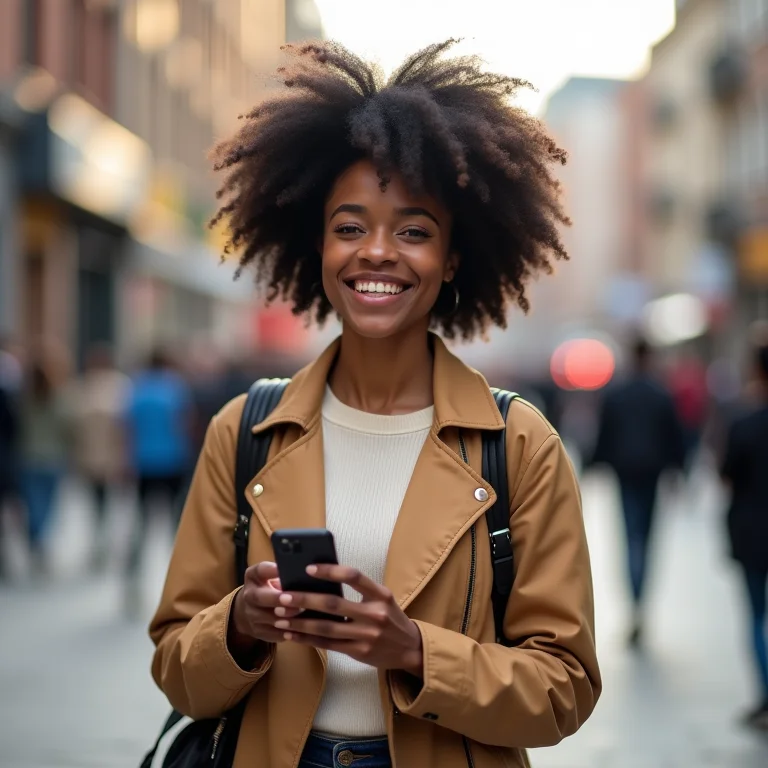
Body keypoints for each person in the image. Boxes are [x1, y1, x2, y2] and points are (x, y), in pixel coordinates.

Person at [149, 41, 601, 768]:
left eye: (414, 231)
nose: (378, 252)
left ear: (452, 258)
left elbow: (565, 688)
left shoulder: (518, 444)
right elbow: (175, 664)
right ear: (318, 246)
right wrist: (238, 622)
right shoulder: (245, 432)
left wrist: (415, 649)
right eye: (350, 226)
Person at [591, 337, 686, 647]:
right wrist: (677, 470)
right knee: (645, 537)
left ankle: (634, 603)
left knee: (630, 536)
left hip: (625, 472)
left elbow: (604, 434)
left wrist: (595, 465)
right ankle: (639, 602)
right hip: (651, 473)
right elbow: (674, 436)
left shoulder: (617, 393)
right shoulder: (661, 394)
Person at [720, 343, 768, 730]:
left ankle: (766, 696)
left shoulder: (744, 423)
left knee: (756, 615)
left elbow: (726, 475)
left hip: (753, 532)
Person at [124, 349, 193, 612]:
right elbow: (184, 424)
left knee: (141, 525)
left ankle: (132, 584)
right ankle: (184, 586)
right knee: (179, 527)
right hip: (173, 461)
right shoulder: (175, 387)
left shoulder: (137, 388)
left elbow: (128, 428)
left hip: (143, 463)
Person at [69, 344, 132, 571]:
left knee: (106, 502)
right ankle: (101, 542)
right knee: (98, 502)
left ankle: (104, 542)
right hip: (95, 455)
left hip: (107, 455)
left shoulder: (116, 386)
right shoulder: (86, 386)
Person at [19, 353, 72, 574]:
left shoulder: (23, 400)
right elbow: (67, 428)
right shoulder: (58, 398)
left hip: (30, 457)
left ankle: (36, 540)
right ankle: (40, 541)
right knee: (48, 506)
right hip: (52, 458)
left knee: (33, 505)